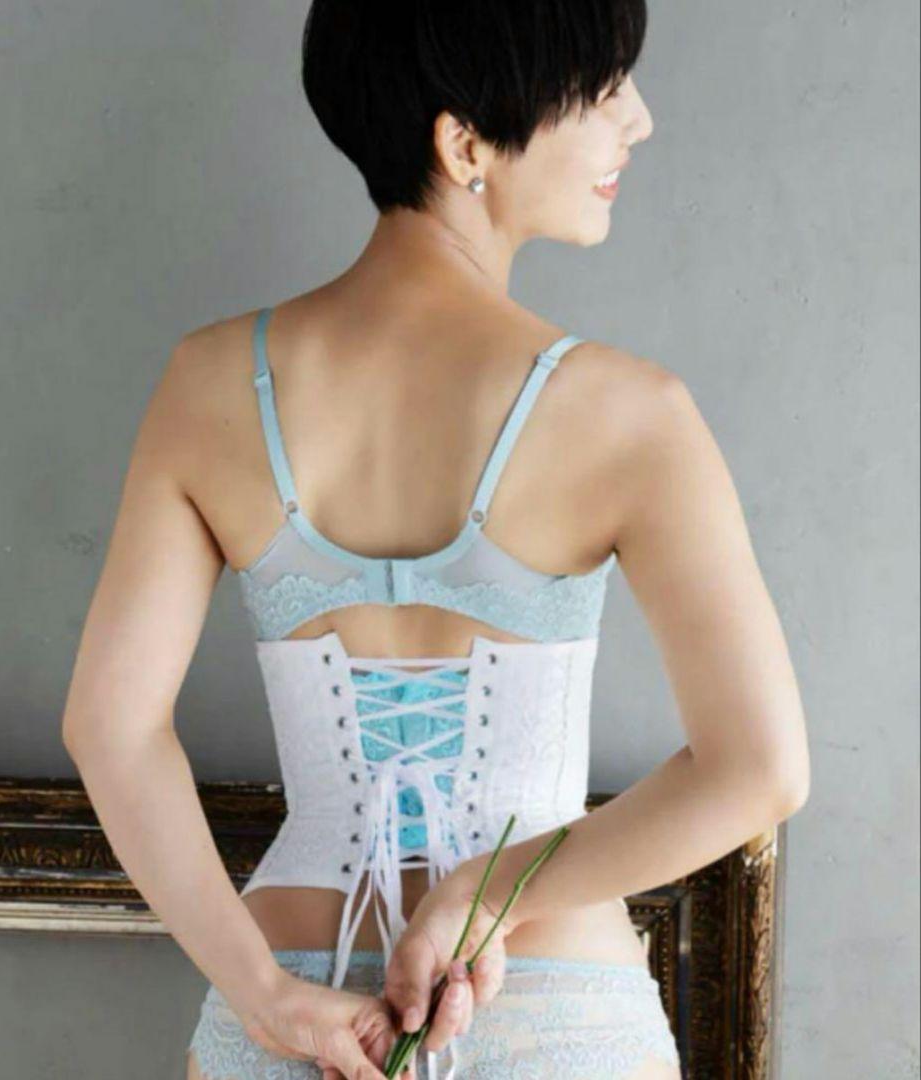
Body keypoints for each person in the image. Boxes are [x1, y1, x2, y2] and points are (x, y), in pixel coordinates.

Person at [61, 2, 811, 1078]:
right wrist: (483, 890)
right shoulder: (629, 412)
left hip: (294, 1009)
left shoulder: (210, 382)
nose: (636, 120)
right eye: (600, 90)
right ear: (464, 145)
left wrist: (265, 1001)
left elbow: (111, 729)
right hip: (558, 1017)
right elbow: (760, 769)